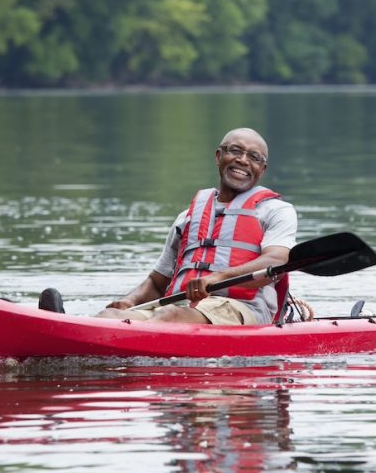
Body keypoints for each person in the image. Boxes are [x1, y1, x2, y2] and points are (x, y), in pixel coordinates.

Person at [95, 127, 297, 325]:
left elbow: (276, 261)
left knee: (169, 316)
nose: (243, 160)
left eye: (254, 157)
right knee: (109, 316)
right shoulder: (187, 218)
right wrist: (130, 301)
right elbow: (157, 283)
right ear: (218, 156)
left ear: (262, 170)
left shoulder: (276, 211)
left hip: (242, 308)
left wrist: (218, 278)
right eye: (235, 151)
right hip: (181, 306)